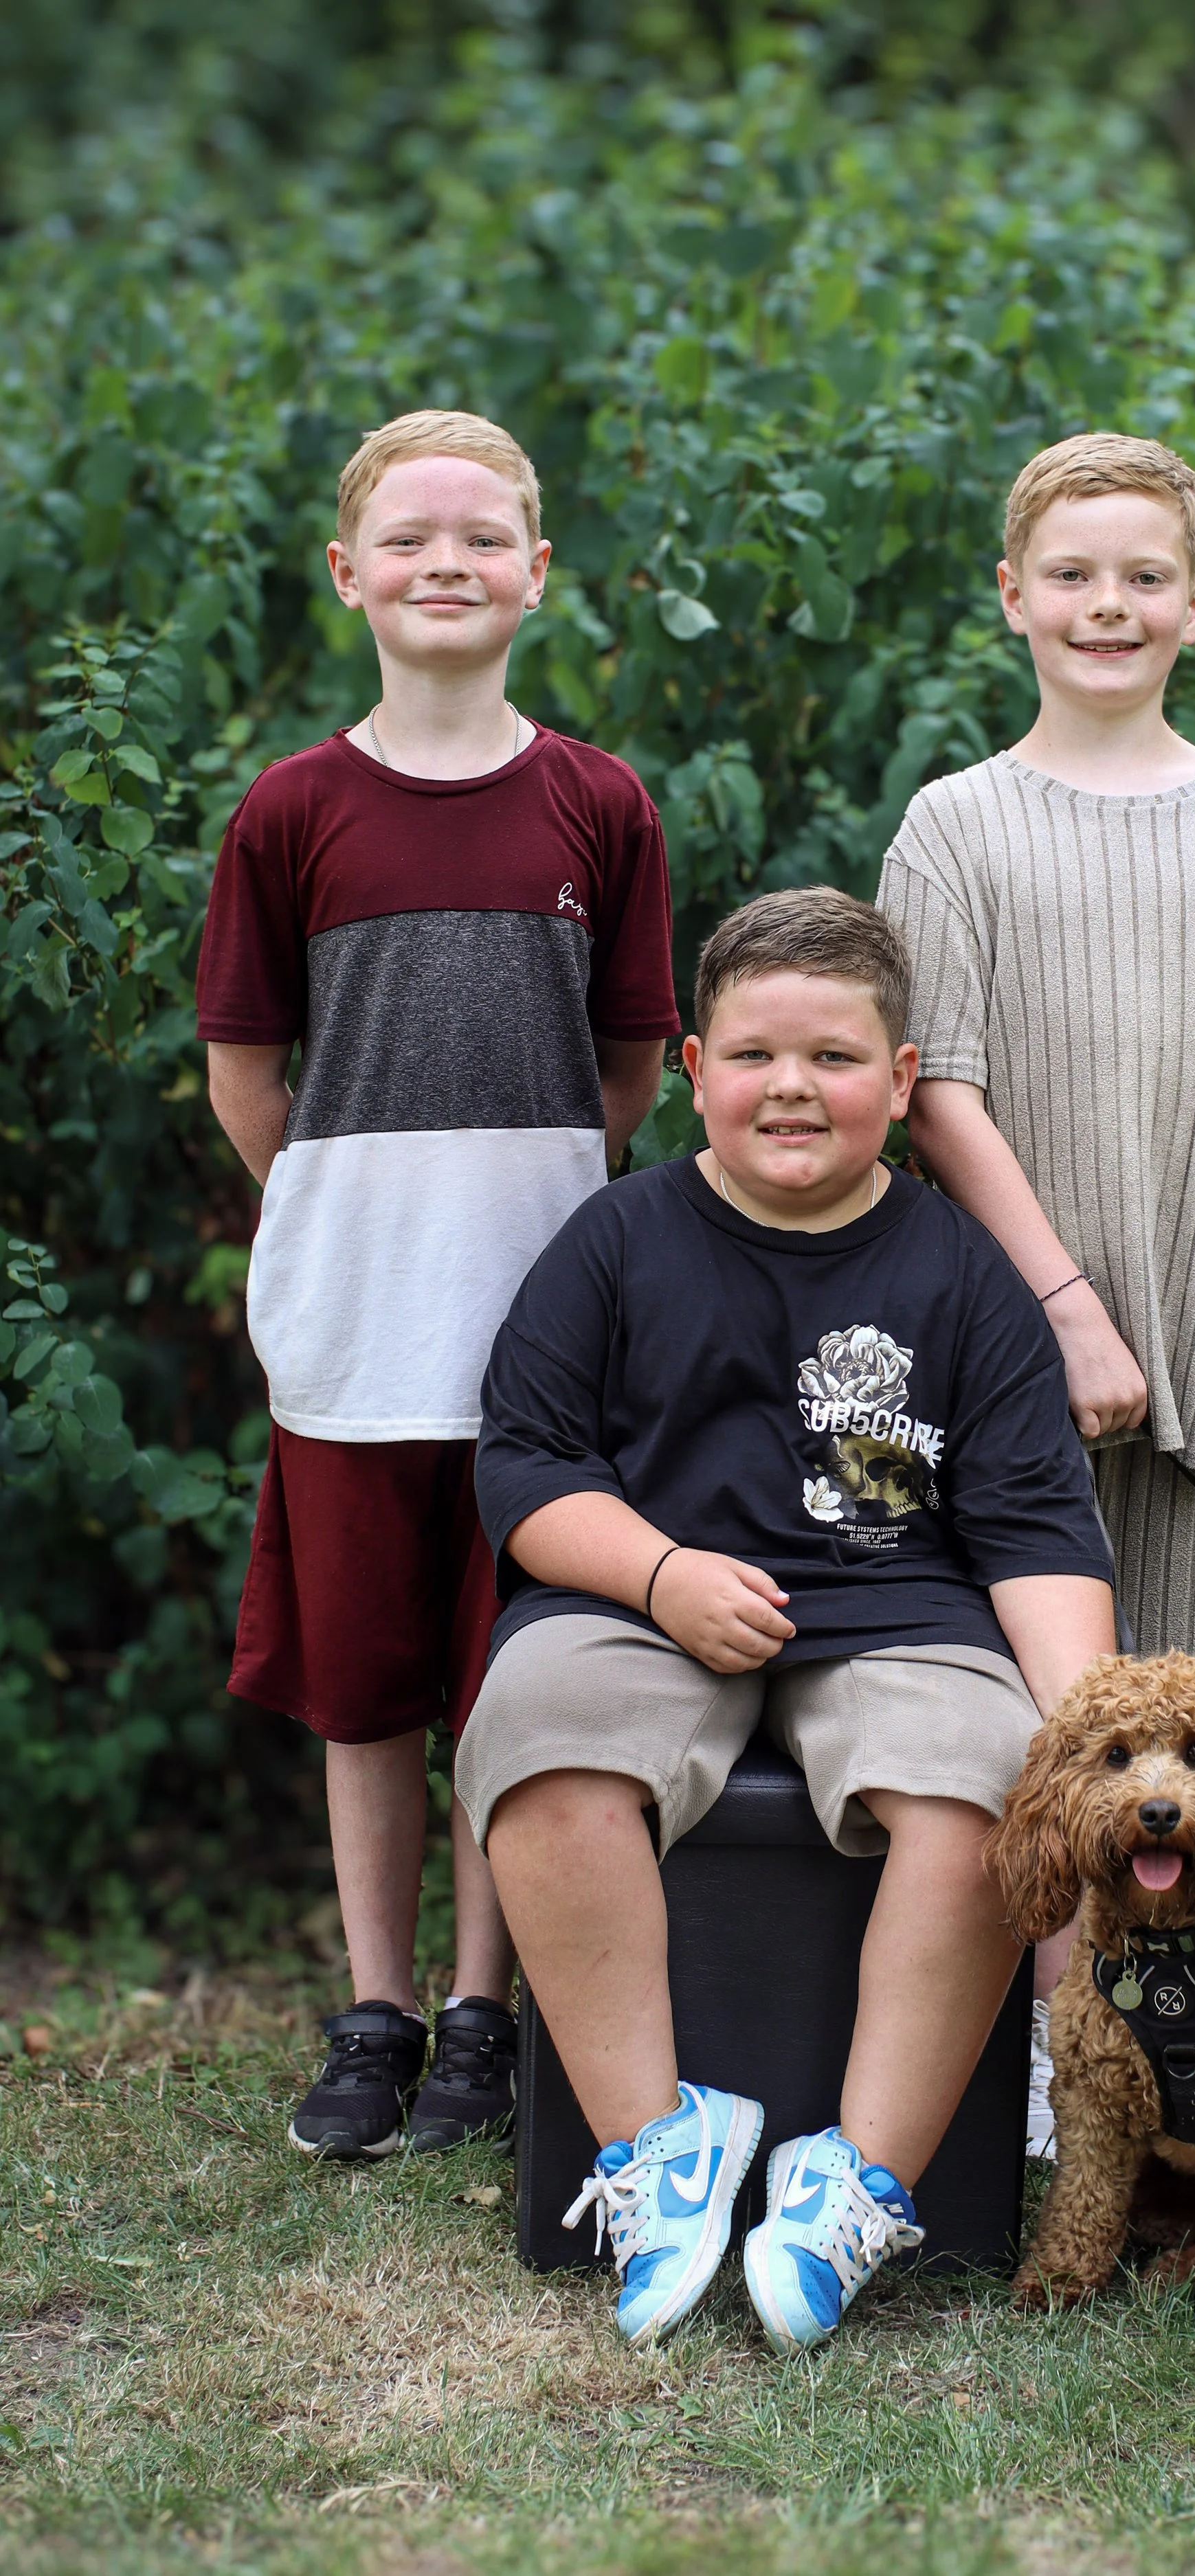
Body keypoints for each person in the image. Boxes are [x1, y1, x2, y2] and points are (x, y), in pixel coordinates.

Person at [458, 887, 1116, 2351]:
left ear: (899, 1077)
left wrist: (1096, 1747)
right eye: (756, 1055)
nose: (792, 1089)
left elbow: (1029, 1530)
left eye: (832, 1057)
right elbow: (524, 1467)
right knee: (540, 1741)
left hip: (896, 1615)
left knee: (990, 1787)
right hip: (638, 1595)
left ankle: (854, 2185)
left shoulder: (962, 1277)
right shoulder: (617, 1241)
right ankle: (656, 2152)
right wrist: (654, 1576)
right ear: (693, 1068)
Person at [196, 409, 677, 2160]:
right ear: (349, 578)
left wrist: (520, 1212)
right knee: (366, 1685)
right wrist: (348, 1205)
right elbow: (251, 1074)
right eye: (409, 539)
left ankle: (486, 2012)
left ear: (539, 574)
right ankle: (375, 2008)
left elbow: (627, 1066)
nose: (447, 563)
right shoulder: (295, 809)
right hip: (350, 1326)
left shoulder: (596, 802)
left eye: (485, 537)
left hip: (539, 1345)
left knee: (511, 1681)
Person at [874, 429, 1195, 2046]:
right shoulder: (955, 827)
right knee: (1044, 1737)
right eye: (1071, 575)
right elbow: (938, 1099)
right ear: (1012, 597)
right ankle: (1039, 2070)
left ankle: (1193, 2078)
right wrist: (1068, 1307)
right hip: (1014, 1347)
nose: (1107, 604)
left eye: (1142, 576)